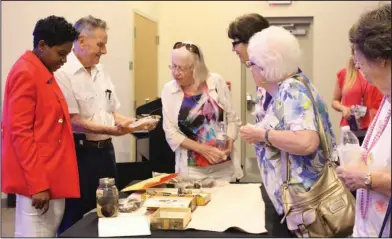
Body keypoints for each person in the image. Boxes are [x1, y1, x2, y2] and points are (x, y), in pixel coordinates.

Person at [55, 15, 157, 233]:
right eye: (100, 44)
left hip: (106, 154)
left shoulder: (101, 71)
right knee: (76, 215)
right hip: (80, 155)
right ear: (82, 41)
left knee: (108, 210)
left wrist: (137, 124)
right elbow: (75, 122)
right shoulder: (64, 74)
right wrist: (116, 130)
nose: (104, 51)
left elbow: (111, 113)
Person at [239, 26, 337, 236]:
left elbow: (306, 142)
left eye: (252, 64)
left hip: (304, 202)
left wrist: (261, 135)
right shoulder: (293, 85)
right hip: (297, 202)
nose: (252, 69)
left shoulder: (291, 90)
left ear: (266, 67)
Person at [1, 16, 80, 237]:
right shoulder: (26, 72)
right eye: (61, 54)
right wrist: (37, 184)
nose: (64, 60)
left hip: (51, 173)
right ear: (42, 45)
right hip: (38, 179)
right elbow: (20, 133)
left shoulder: (42, 70)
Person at [336, 4, 391, 237]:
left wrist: (367, 178)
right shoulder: (388, 97)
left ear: (382, 58)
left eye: (359, 57)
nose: (357, 66)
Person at [161, 41, 243, 183]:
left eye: (181, 68)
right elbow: (171, 133)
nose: (175, 72)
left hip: (223, 167)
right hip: (192, 171)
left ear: (195, 68)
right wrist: (203, 150)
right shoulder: (169, 90)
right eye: (173, 66)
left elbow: (232, 118)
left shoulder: (216, 82)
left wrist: (230, 140)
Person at [332, 51, 383, 145]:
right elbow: (335, 101)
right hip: (350, 130)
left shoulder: (376, 74)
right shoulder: (344, 74)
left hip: (373, 129)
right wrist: (344, 108)